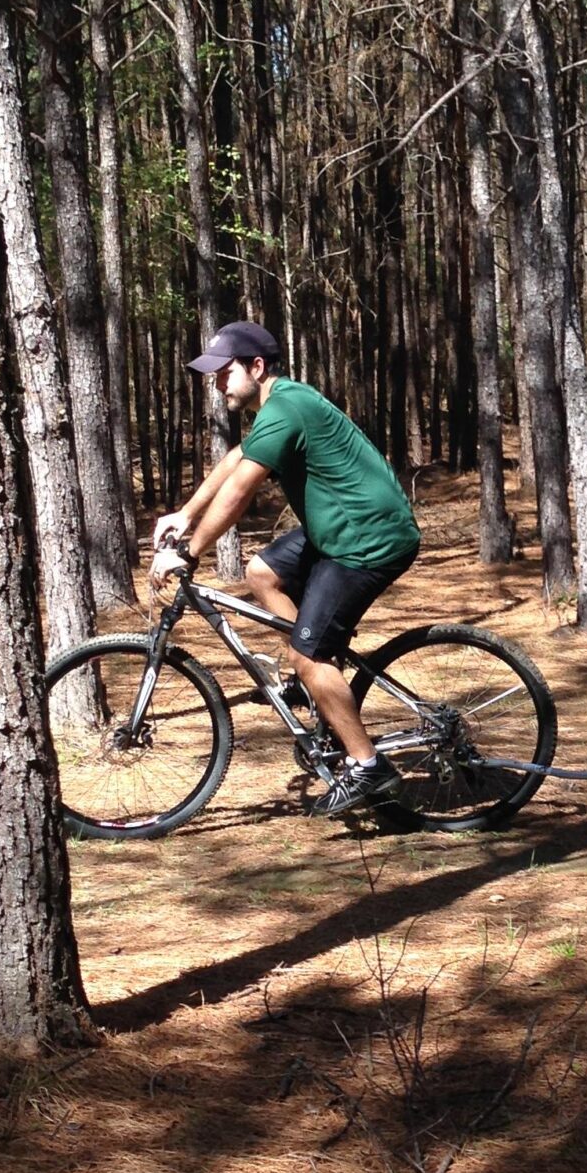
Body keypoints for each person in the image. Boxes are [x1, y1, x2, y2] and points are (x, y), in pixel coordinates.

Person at [150, 322, 422, 818]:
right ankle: (317, 672)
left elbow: (240, 490)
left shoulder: (288, 408)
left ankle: (368, 766)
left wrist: (189, 552)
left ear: (257, 367)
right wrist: (185, 514)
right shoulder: (279, 407)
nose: (217, 385)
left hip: (367, 539)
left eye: (224, 373)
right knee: (262, 574)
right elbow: (237, 458)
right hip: (338, 530)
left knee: (308, 653)